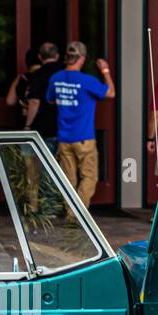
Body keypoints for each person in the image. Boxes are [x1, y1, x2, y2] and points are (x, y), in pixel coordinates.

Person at [48, 40, 115, 205]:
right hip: (84, 137)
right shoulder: (87, 81)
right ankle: (76, 215)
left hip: (64, 138)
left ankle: (71, 212)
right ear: (82, 59)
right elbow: (111, 93)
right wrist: (105, 71)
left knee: (68, 179)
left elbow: (50, 100)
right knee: (89, 177)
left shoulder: (56, 78)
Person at [22, 43, 62, 150]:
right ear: (57, 56)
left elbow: (34, 101)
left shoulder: (38, 75)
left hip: (44, 128)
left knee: (40, 165)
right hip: (64, 128)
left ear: (40, 57)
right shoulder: (64, 74)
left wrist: (28, 125)